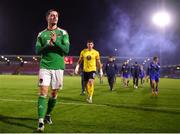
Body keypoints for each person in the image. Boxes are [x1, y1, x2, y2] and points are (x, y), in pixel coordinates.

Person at [35, 9, 70, 132]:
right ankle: (40, 122)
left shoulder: (63, 33)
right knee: (43, 91)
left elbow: (66, 50)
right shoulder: (41, 34)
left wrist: (55, 43)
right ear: (47, 18)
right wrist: (47, 45)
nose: (54, 17)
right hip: (45, 66)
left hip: (58, 67)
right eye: (52, 15)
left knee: (54, 94)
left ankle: (48, 114)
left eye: (56, 16)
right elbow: (37, 51)